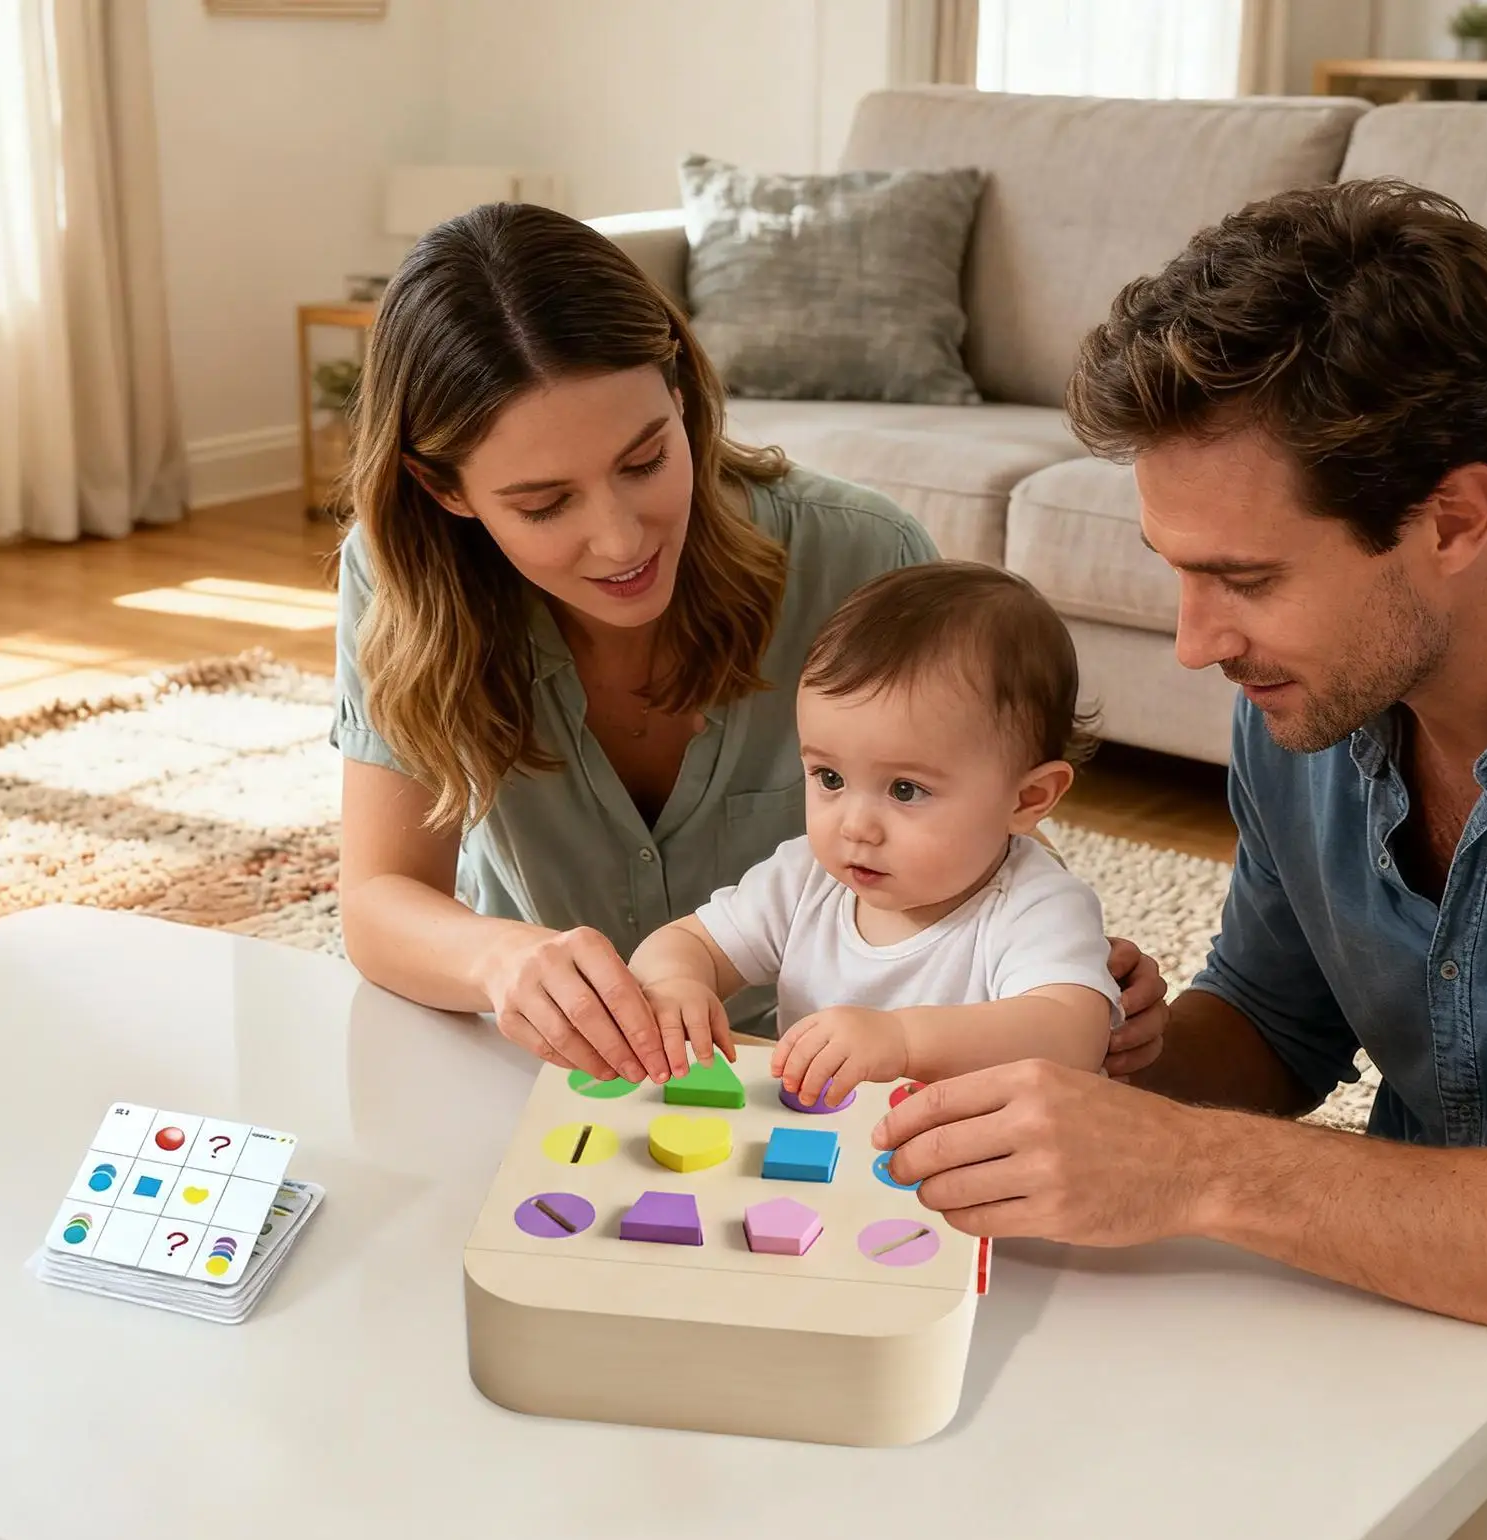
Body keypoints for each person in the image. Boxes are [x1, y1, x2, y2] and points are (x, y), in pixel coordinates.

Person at [873, 176, 1487, 1339]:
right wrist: (1093, 1062)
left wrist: (1194, 1166)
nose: (1193, 642)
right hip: (1411, 1337)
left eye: (1244, 577)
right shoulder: (1310, 704)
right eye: (1177, 569)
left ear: (1452, 520)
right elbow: (1275, 1022)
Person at [329, 201, 1159, 1081]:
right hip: (541, 1058)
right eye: (543, 505)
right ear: (445, 489)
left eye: (646, 460)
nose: (620, 541)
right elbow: (381, 899)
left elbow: (984, 806)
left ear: (681, 400)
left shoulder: (858, 553)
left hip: (816, 1077)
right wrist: (499, 959)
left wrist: (1063, 968)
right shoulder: (402, 579)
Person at [628, 561, 1123, 1104]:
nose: (855, 826)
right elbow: (686, 942)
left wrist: (902, 1039)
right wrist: (676, 984)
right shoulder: (804, 881)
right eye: (830, 778)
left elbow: (1071, 1034)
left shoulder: (1036, 905)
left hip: (977, 1165)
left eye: (905, 790)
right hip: (822, 1151)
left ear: (1028, 799)